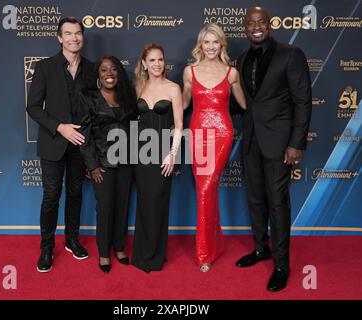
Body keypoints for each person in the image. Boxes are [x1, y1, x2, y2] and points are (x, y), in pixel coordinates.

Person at [234, 7, 312, 291]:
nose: (256, 27)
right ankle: (260, 249)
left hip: (280, 143)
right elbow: (244, 102)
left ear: (269, 24)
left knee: (277, 203)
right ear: (245, 28)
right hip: (251, 139)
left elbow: (303, 101)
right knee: (255, 199)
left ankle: (281, 265)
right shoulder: (241, 59)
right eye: (250, 24)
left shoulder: (290, 54)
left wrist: (296, 143)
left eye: (261, 22)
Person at [27, 17, 95, 272]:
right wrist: (60, 127)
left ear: (82, 37)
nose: (73, 38)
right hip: (54, 143)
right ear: (59, 38)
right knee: (51, 197)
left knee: (76, 194)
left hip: (80, 145)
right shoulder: (45, 67)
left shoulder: (92, 68)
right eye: (68, 34)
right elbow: (33, 107)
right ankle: (46, 248)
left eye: (77, 33)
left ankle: (72, 240)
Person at [182, 23, 247, 272]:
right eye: (206, 42)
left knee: (207, 188)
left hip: (222, 133)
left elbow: (243, 103)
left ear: (222, 44)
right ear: (201, 45)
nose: (210, 46)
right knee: (204, 190)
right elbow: (184, 102)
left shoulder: (231, 73)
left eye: (215, 42)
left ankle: (204, 252)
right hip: (197, 133)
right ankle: (213, 245)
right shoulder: (190, 71)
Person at [78, 56, 137, 273]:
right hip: (102, 163)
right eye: (104, 70)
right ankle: (104, 252)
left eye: (113, 69)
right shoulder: (88, 98)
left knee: (122, 206)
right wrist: (92, 165)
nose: (109, 73)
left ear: (119, 73)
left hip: (127, 161)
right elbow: (84, 134)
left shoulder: (128, 96)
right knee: (104, 209)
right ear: (98, 75)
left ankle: (119, 247)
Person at [131, 43, 184, 273]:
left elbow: (180, 126)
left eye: (160, 59)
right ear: (144, 63)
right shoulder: (138, 87)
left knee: (157, 202)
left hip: (163, 152)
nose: (157, 64)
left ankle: (155, 255)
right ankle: (141, 254)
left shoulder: (173, 88)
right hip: (140, 152)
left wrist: (172, 155)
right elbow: (132, 121)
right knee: (144, 202)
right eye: (152, 60)